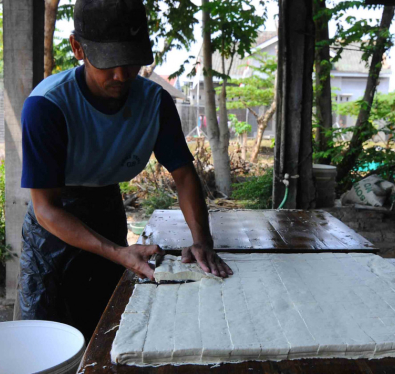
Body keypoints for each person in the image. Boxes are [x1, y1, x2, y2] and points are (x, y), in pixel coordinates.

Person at [18, 0, 232, 339]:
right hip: (54, 227)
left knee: (106, 327)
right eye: (108, 63)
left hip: (106, 208)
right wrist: (118, 252)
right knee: (46, 335)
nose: (121, 75)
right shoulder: (47, 107)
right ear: (78, 48)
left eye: (131, 62)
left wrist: (202, 240)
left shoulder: (154, 103)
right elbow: (45, 208)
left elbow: (184, 175)